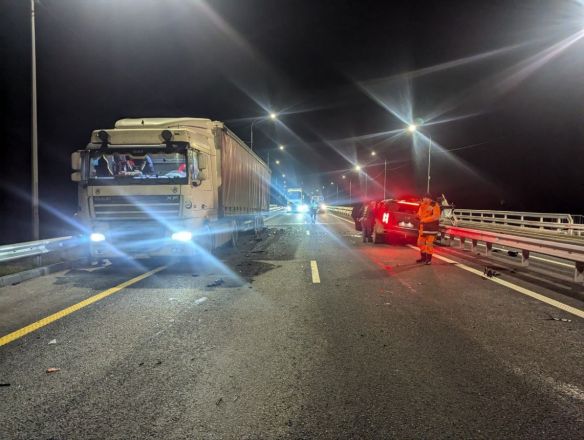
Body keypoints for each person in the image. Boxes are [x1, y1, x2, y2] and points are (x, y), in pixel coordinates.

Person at [416, 193, 441, 264]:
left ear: (430, 199)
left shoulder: (434, 205)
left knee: (429, 244)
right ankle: (423, 258)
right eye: (424, 198)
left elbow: (436, 216)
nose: (425, 199)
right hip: (423, 228)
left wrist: (425, 220)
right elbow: (420, 214)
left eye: (426, 198)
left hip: (431, 228)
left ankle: (428, 260)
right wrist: (417, 216)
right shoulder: (422, 205)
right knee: (420, 243)